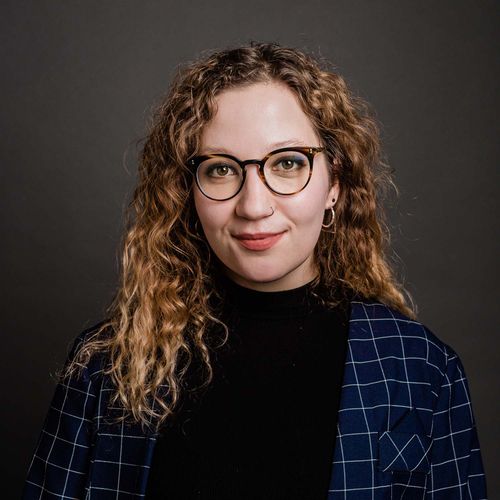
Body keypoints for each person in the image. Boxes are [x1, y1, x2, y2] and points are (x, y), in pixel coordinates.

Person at [23, 42, 487, 499]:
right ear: (188, 191)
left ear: (334, 185)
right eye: (222, 169)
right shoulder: (106, 367)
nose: (254, 205)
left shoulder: (422, 370)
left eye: (287, 164)